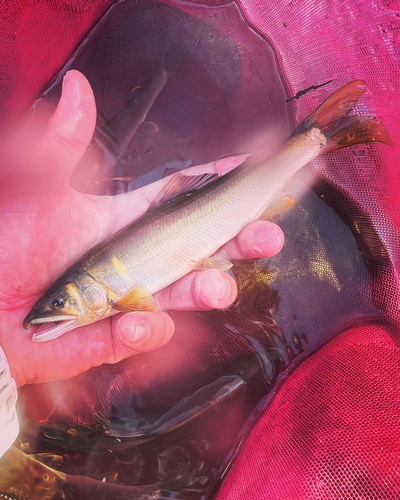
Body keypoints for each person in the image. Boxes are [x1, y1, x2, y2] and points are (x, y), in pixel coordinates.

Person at [0, 70, 284, 457]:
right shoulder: (113, 298)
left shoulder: (114, 295)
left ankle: (313, 141)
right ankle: (308, 146)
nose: (55, 311)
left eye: (61, 302)